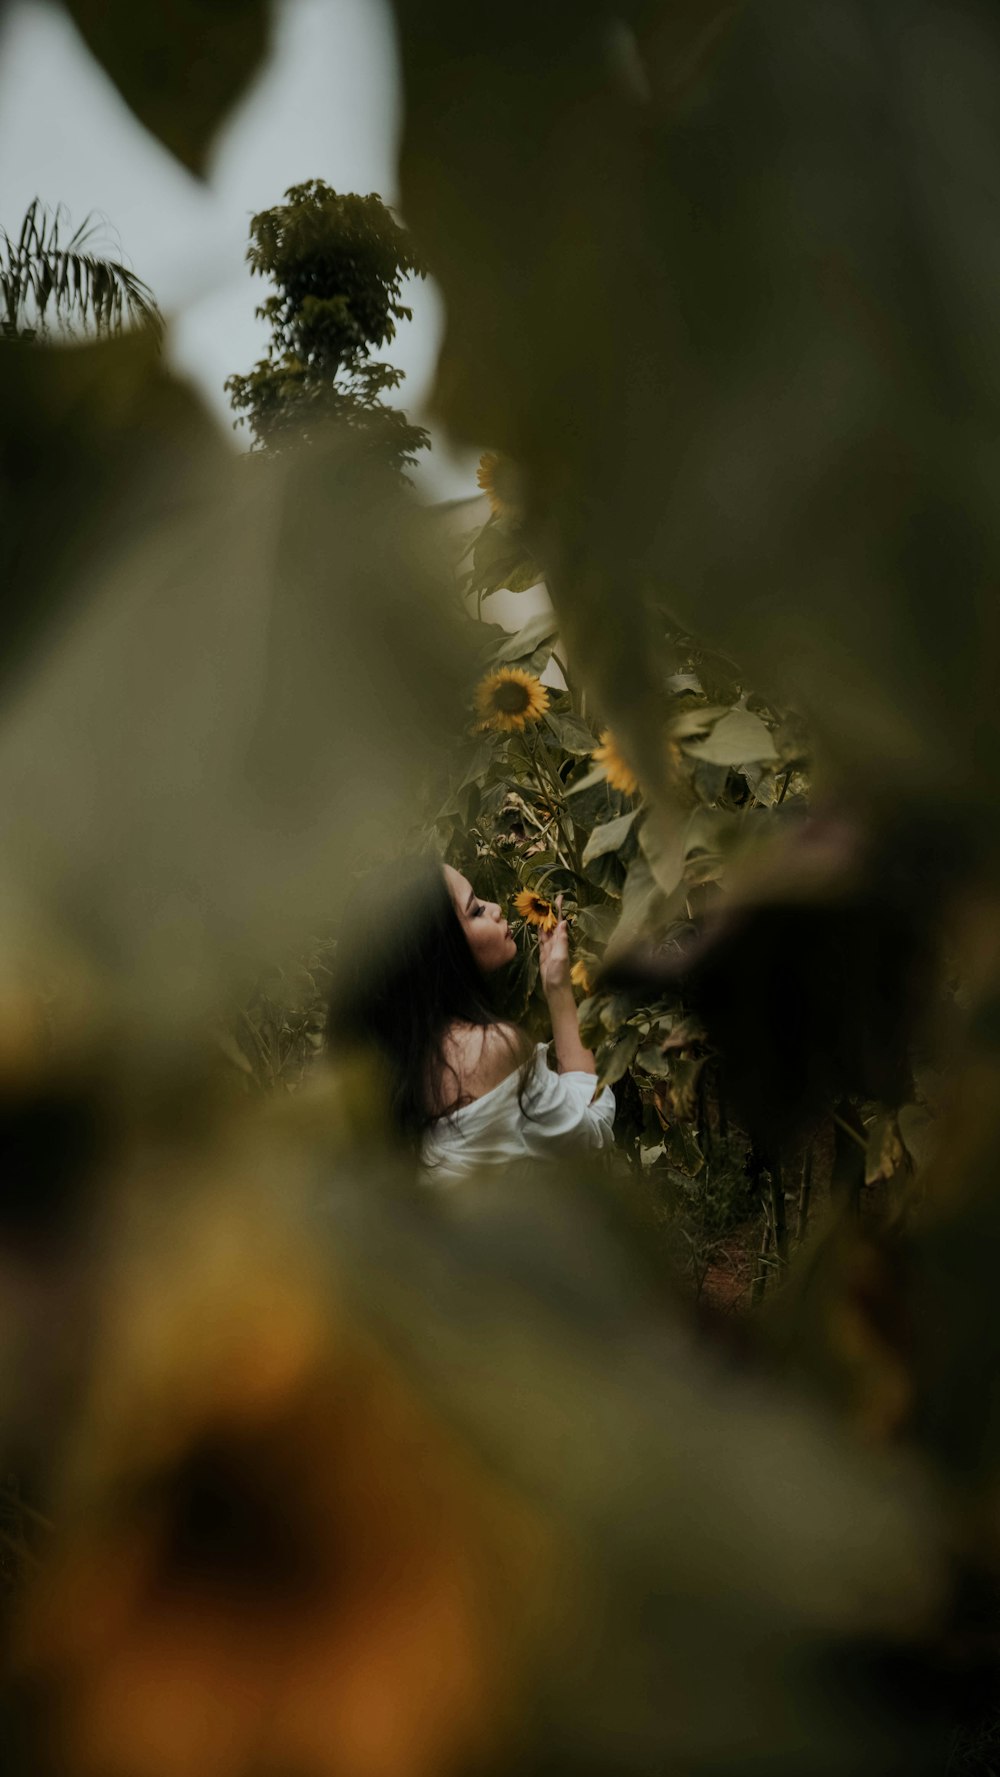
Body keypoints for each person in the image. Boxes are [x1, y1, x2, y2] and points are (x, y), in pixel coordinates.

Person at [327, 857, 615, 1181]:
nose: (495, 908)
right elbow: (591, 1130)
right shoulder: (486, 1052)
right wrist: (559, 989)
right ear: (438, 953)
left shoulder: (374, 1073)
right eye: (475, 910)